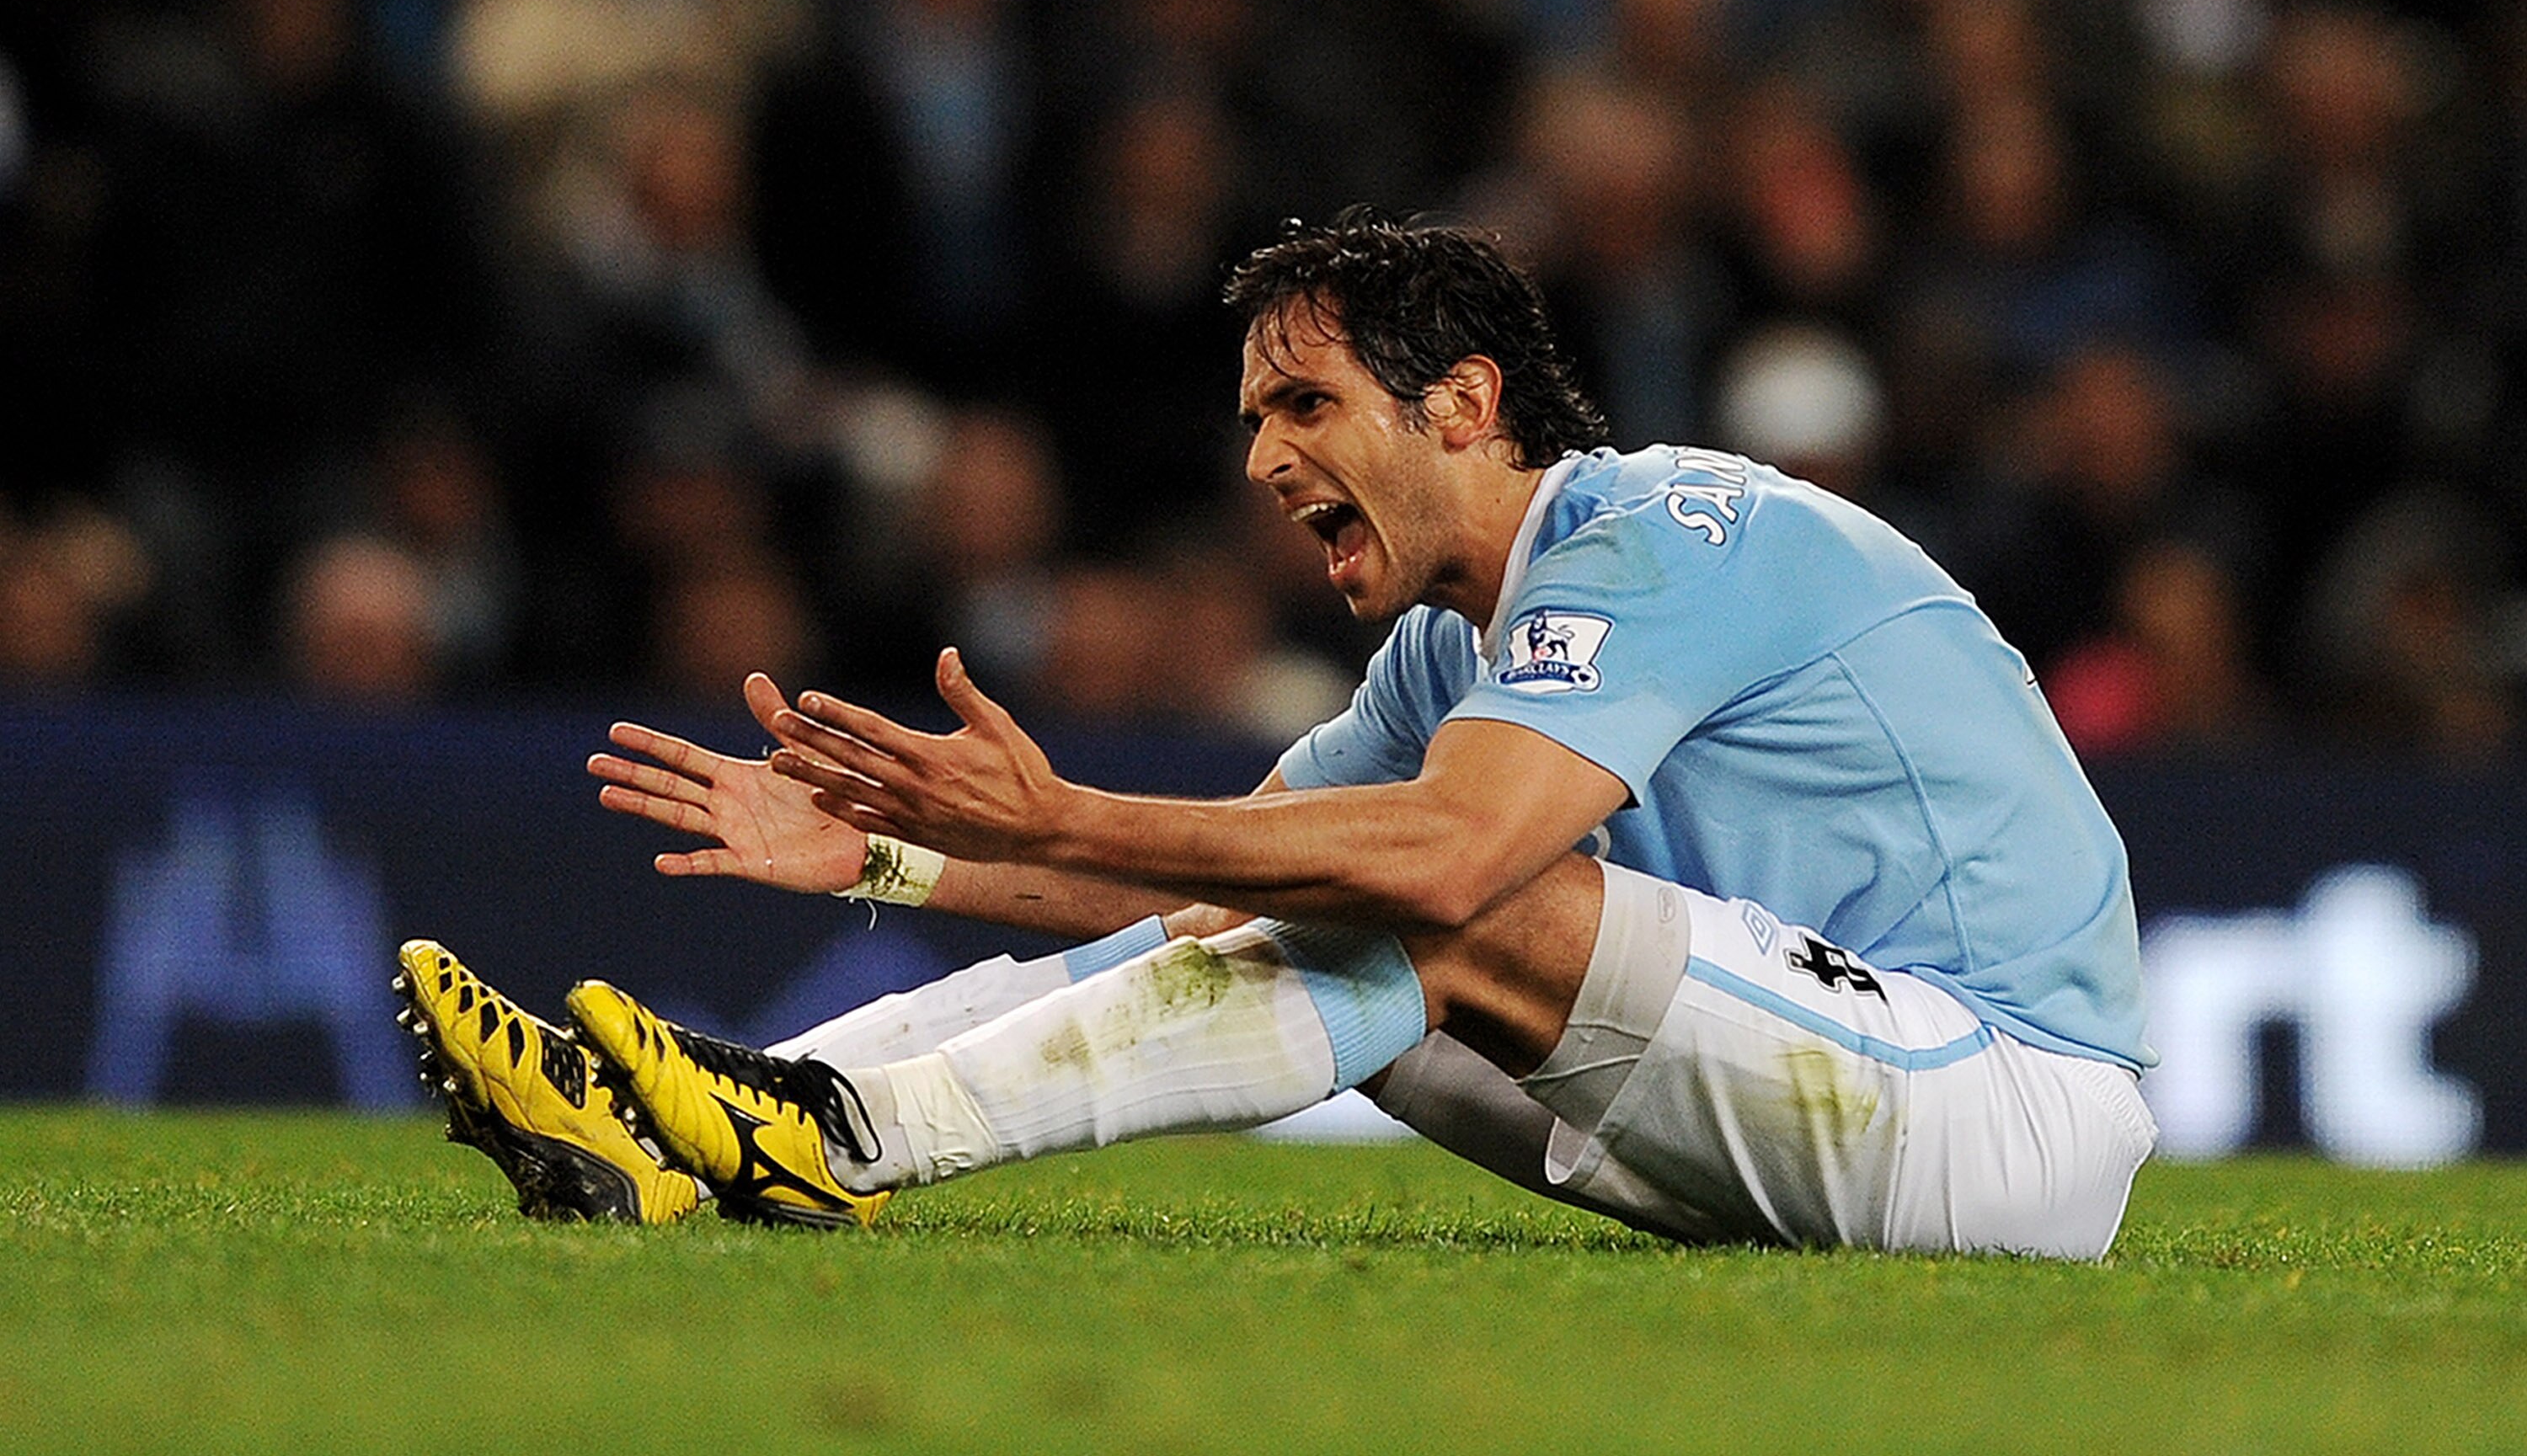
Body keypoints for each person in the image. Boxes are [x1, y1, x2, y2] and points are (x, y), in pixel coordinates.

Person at [398, 210, 2156, 1255]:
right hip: (1824, 1072)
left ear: (1465, 402)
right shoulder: (1441, 648)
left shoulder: (1662, 540)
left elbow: (1457, 860)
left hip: (2004, 1091)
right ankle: (701, 1117)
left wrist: (1065, 808)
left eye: (1305, 403)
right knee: (1311, 894)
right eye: (1254, 416)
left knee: (1437, 897)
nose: (1262, 461)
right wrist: (886, 851)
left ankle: (826, 1133)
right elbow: (1203, 896)